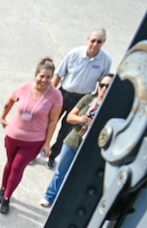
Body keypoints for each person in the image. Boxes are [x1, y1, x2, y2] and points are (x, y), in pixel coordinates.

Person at [0, 58, 63, 214]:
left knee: (18, 167)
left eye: (49, 77)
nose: (45, 80)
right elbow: (10, 100)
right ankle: (3, 188)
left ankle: (6, 197)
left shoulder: (55, 96)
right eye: (42, 76)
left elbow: (53, 121)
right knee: (9, 164)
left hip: (33, 140)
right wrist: (3, 116)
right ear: (36, 75)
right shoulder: (24, 88)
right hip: (13, 135)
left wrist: (47, 143)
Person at [41, 75, 112, 207]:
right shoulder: (88, 99)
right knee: (61, 171)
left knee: (78, 176)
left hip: (91, 145)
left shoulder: (111, 108)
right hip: (74, 140)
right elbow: (70, 117)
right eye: (102, 85)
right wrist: (83, 119)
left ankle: (65, 202)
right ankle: (50, 196)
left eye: (108, 87)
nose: (104, 89)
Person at [48, 29, 112, 168]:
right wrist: (49, 95)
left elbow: (104, 84)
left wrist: (94, 104)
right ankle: (36, 150)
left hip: (82, 100)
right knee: (47, 123)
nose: (95, 44)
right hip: (63, 94)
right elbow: (58, 75)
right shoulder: (74, 54)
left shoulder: (106, 61)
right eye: (93, 40)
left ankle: (52, 155)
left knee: (67, 130)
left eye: (99, 41)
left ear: (103, 42)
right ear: (87, 39)